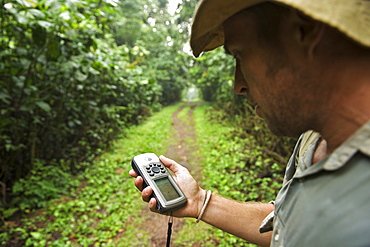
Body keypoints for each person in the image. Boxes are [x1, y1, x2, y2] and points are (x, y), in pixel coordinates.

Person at [129, 0, 370, 246]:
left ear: (304, 33)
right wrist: (200, 201)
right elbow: (288, 227)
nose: (238, 85)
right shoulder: (315, 137)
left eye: (239, 55)